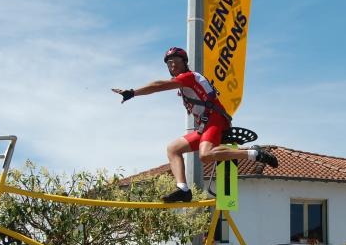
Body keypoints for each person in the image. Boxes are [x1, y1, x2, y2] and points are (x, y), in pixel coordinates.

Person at [113, 47, 278, 203]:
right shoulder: (186, 84)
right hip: (205, 127)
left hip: (215, 120)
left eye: (175, 60)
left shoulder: (188, 77)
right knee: (173, 148)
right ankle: (183, 189)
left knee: (204, 155)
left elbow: (158, 85)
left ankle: (253, 154)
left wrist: (133, 92)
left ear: (185, 62)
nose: (172, 64)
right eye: (169, 63)